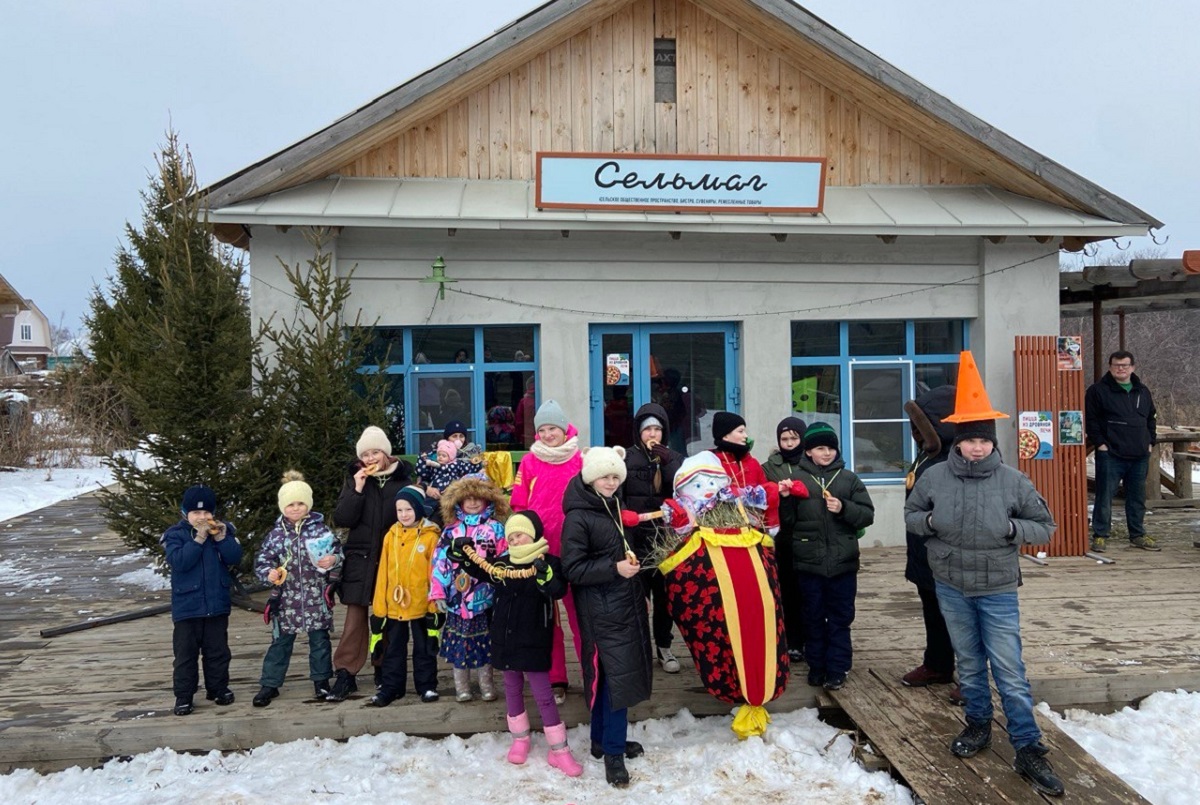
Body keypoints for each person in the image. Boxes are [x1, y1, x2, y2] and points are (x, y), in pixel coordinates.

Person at [904, 351, 1064, 797]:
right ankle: (977, 725)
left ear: (993, 442)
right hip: (951, 585)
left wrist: (1013, 528)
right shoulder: (936, 477)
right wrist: (931, 525)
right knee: (971, 666)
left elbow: (1045, 527)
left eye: (984, 441)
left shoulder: (1013, 481)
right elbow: (913, 515)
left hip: (996, 589)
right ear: (957, 440)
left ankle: (1028, 745)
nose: (976, 447)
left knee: (1009, 670)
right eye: (969, 440)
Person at [454, 511, 582, 776]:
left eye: (520, 534)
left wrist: (545, 576)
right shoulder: (502, 564)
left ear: (533, 534)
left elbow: (558, 589)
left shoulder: (549, 562)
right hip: (504, 638)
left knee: (544, 695)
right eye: (511, 536)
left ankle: (559, 749)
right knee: (512, 690)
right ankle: (520, 739)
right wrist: (463, 555)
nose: (515, 540)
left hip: (534, 638)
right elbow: (480, 568)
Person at [561, 446, 653, 788]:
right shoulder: (578, 517)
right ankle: (613, 754)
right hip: (600, 610)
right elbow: (572, 568)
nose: (611, 482)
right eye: (605, 476)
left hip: (624, 603)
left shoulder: (615, 506)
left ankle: (602, 739)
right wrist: (614, 568)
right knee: (616, 680)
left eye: (616, 476)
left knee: (610, 677)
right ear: (590, 477)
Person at [328, 425, 415, 701]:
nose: (370, 458)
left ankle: (383, 669)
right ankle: (345, 673)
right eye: (365, 453)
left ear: (386, 453)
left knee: (386, 620)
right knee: (354, 621)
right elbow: (343, 518)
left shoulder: (403, 481)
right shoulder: (355, 480)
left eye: (375, 451)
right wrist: (357, 488)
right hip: (359, 562)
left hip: (392, 562)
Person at [788, 422, 874, 691]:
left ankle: (837, 668)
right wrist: (784, 498)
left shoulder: (848, 479)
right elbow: (786, 521)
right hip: (809, 562)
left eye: (831, 448)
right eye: (820, 448)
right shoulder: (797, 480)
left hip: (843, 563)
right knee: (812, 616)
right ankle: (817, 666)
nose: (827, 453)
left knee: (840, 617)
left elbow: (867, 514)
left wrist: (844, 507)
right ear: (809, 452)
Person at [510, 399, 584, 704]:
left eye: (553, 428)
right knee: (548, 619)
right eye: (543, 429)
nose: (549, 434)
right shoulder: (529, 462)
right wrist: (523, 542)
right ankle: (556, 679)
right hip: (541, 551)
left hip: (576, 550)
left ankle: (592, 673)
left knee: (581, 616)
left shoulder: (580, 459)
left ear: (564, 428)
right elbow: (518, 504)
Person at [252, 472, 343, 707]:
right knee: (280, 643)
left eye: (300, 503)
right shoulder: (276, 536)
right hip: (286, 600)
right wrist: (268, 573)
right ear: (283, 507)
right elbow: (263, 561)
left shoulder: (321, 531)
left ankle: (321, 681)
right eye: (290, 504)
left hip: (315, 596)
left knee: (320, 642)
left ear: (308, 505)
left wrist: (333, 560)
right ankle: (270, 684)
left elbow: (338, 553)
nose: (295, 508)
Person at [900, 386, 961, 694]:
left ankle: (971, 678)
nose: (914, 432)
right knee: (933, 613)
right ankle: (937, 664)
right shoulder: (928, 454)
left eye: (920, 424)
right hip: (924, 555)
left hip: (951, 558)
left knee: (962, 619)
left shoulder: (961, 458)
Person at [161, 484, 242, 716]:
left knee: (217, 651)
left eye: (207, 513)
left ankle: (217, 688)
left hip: (216, 604)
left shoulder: (223, 531)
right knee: (185, 654)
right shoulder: (175, 535)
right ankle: (184, 696)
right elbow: (180, 562)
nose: (202, 518)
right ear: (186, 514)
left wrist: (223, 539)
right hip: (187, 607)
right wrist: (198, 539)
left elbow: (235, 557)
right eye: (196, 513)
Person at [430, 476, 510, 703]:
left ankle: (486, 684)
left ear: (488, 501)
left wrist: (501, 585)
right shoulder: (450, 530)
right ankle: (461, 686)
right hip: (457, 599)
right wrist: (438, 591)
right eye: (468, 499)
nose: (473, 503)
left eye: (478, 498)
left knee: (485, 643)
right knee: (459, 643)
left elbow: (504, 557)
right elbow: (439, 562)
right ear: (458, 502)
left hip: (486, 597)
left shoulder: (495, 528)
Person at [621, 402, 684, 673]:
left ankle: (664, 645)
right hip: (636, 537)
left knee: (664, 597)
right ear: (639, 432)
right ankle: (638, 649)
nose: (653, 435)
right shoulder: (626, 458)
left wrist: (669, 461)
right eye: (647, 429)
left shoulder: (674, 458)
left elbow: (682, 488)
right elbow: (618, 495)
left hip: (666, 539)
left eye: (657, 429)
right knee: (637, 597)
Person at [367, 487, 442, 706]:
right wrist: (380, 609)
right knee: (393, 648)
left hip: (421, 603)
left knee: (424, 646)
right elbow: (384, 574)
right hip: (394, 604)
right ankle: (391, 687)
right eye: (399, 510)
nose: (403, 514)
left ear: (418, 509)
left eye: (408, 509)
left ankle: (427, 685)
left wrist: (433, 608)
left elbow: (434, 574)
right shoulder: (391, 535)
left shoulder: (431, 537)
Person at [1085, 350, 1159, 552]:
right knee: (1104, 495)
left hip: (1139, 454)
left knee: (1137, 497)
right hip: (1111, 454)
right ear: (1110, 367)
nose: (1121, 369)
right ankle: (1100, 535)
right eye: (1117, 365)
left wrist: (1150, 441)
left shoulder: (1142, 391)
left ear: (1132, 367)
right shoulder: (1098, 391)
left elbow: (1151, 418)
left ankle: (1137, 534)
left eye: (1125, 365)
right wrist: (1100, 443)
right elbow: (1090, 421)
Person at [763, 416, 810, 664]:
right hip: (782, 537)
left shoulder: (811, 462)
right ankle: (790, 641)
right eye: (784, 438)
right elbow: (760, 494)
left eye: (794, 438)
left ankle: (809, 639)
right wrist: (777, 491)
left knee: (808, 590)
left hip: (808, 534)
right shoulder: (770, 466)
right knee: (786, 590)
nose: (789, 443)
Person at [710, 412, 780, 534]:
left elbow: (765, 496)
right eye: (741, 431)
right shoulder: (711, 462)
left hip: (755, 531)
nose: (746, 436)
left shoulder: (752, 463)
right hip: (720, 532)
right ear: (725, 436)